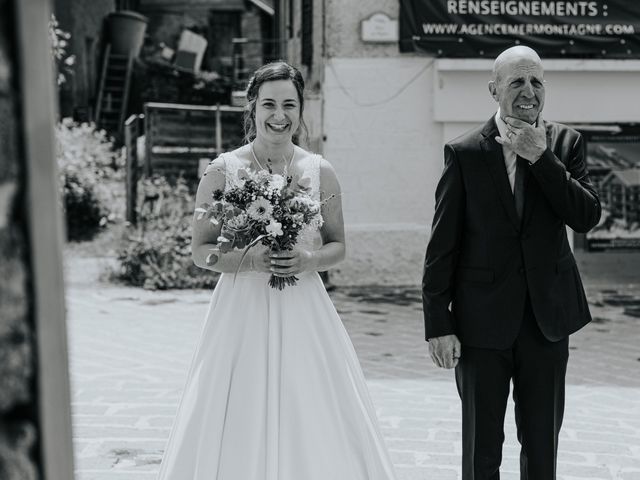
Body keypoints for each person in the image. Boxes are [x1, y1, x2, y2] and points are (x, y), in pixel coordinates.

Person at [156, 61, 397, 480]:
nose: (279, 115)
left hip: (303, 307)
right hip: (240, 311)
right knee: (238, 403)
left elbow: (338, 245)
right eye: (269, 104)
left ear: (301, 110)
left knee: (310, 401)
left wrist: (309, 261)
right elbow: (200, 251)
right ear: (252, 108)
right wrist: (248, 260)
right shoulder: (222, 171)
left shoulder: (321, 171)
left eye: (289, 104)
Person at [421, 46, 601, 479]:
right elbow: (442, 245)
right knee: (481, 450)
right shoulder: (464, 152)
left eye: (536, 81)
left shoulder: (565, 143)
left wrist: (542, 158)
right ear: (494, 88)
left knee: (541, 448)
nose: (528, 91)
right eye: (517, 81)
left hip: (547, 319)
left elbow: (585, 216)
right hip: (481, 322)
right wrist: (438, 323)